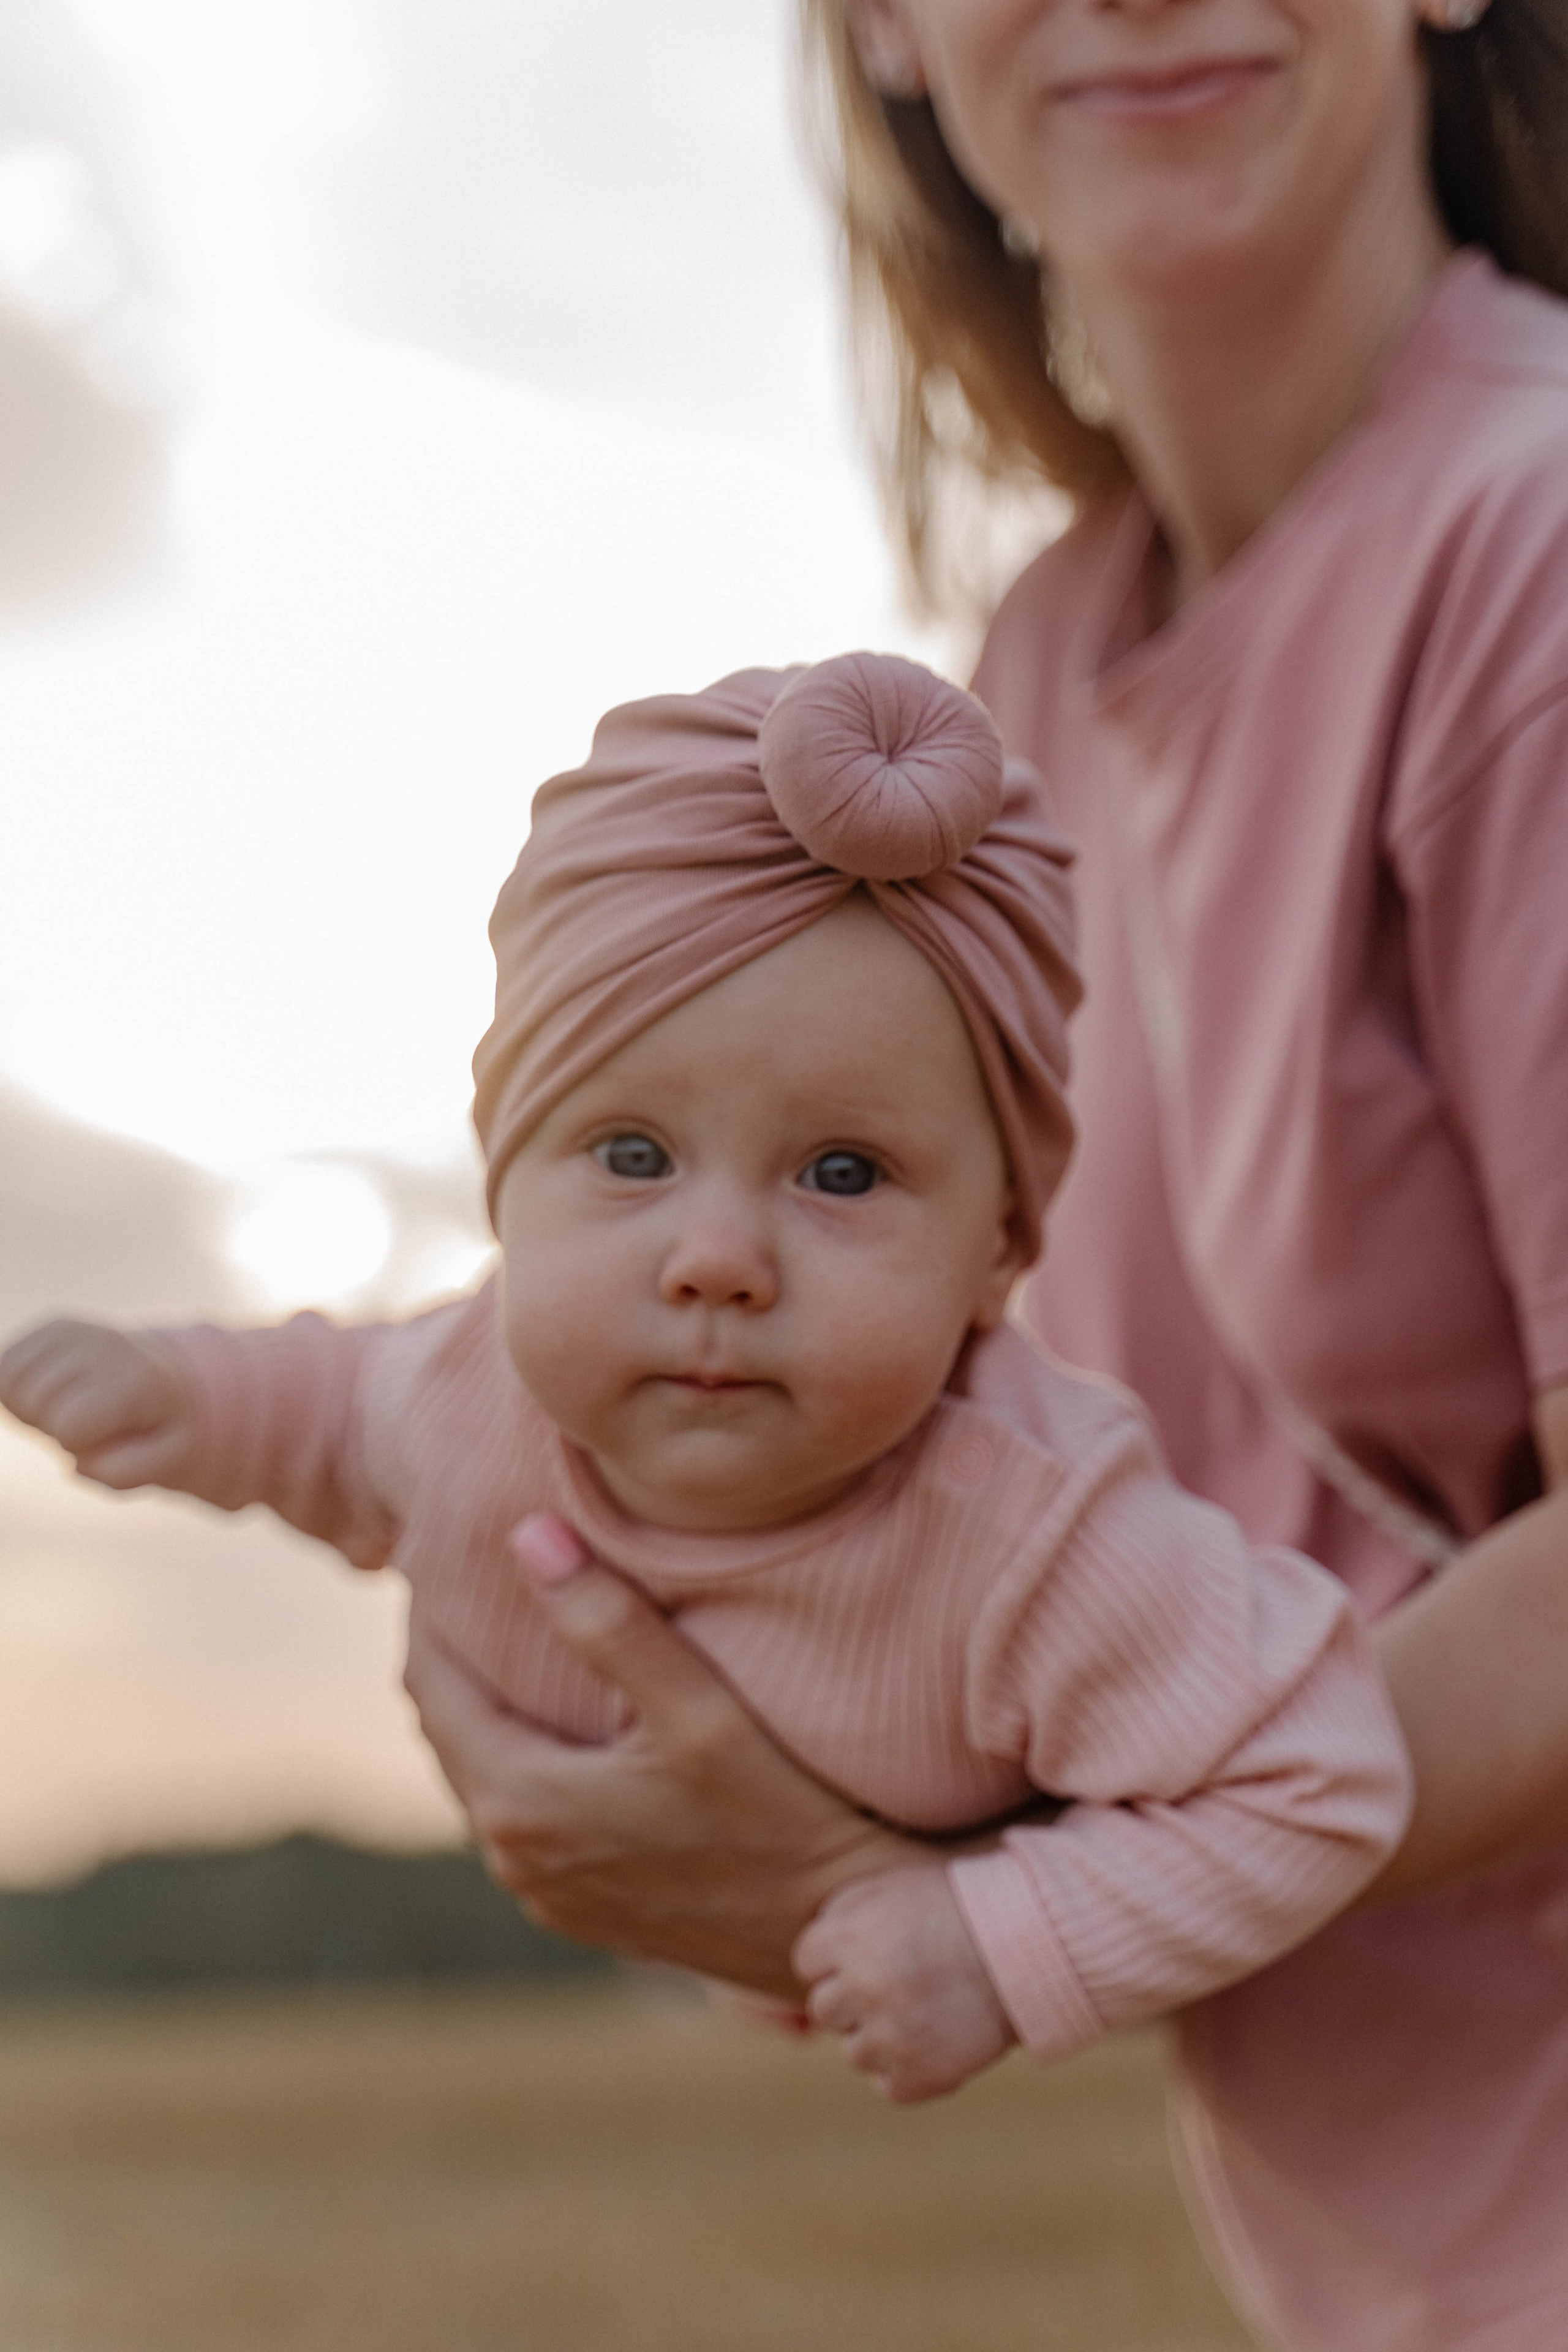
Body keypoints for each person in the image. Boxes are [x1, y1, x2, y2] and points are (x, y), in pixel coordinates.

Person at [323, 3, 1568, 2346]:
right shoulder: (1045, 673)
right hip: (1377, 2239)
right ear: (886, 27)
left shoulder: (1536, 550)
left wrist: (982, 1902)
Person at [0, 650, 1411, 2105]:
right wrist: (170, 1394)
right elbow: (320, 1411)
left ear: (995, 1255)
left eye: (842, 1171)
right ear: (503, 1185)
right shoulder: (462, 1386)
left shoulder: (1041, 1537)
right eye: (629, 1156)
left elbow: (1318, 1770)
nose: (716, 1259)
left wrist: (986, 1938)